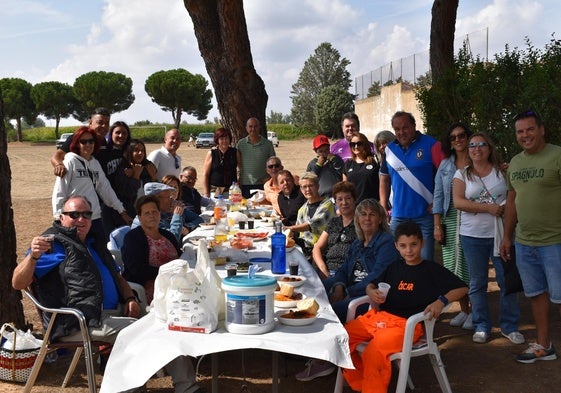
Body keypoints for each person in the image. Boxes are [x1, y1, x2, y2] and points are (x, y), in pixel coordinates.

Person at [13, 195, 206, 393]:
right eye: (74, 215)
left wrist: (130, 297)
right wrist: (33, 257)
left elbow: (117, 276)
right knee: (136, 331)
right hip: (80, 321)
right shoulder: (52, 245)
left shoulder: (93, 241)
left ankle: (187, 387)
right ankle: (131, 389)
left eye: (86, 215)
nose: (81, 219)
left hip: (112, 312)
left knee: (166, 322)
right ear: (62, 217)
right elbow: (17, 282)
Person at [342, 221, 468, 393]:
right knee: (342, 337)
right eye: (403, 246)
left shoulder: (431, 270)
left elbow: (462, 288)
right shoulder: (394, 267)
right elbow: (371, 284)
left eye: (413, 245)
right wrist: (371, 291)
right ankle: (363, 384)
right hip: (381, 320)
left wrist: (441, 301)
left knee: (374, 352)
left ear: (422, 243)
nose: (409, 250)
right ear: (396, 246)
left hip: (408, 326)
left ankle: (371, 388)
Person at [500, 109, 561, 363]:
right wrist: (507, 236)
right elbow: (512, 200)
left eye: (530, 129)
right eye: (520, 131)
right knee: (536, 294)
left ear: (542, 129)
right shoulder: (515, 162)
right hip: (525, 242)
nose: (525, 135)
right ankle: (544, 346)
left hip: (556, 241)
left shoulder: (557, 156)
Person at [453, 132, 523, 344]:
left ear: (489, 148)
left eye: (482, 145)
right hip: (472, 236)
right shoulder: (461, 175)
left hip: (502, 235)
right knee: (477, 283)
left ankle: (509, 326)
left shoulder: (503, 172)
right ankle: (481, 325)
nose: (477, 149)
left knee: (506, 281)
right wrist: (488, 208)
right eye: (472, 145)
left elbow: (514, 198)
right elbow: (458, 202)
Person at [379, 111, 445, 261]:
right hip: (398, 217)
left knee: (423, 262)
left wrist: (438, 202)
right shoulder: (389, 150)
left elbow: (446, 177)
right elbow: (384, 179)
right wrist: (383, 205)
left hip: (424, 217)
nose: (401, 132)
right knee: (394, 261)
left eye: (405, 127)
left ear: (414, 126)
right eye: (397, 129)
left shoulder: (432, 145)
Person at [323, 199, 400, 323]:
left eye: (372, 214)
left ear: (380, 220)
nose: (367, 218)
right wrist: (339, 286)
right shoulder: (358, 243)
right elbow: (343, 269)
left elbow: (377, 276)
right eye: (363, 214)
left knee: (329, 312)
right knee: (317, 289)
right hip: (350, 286)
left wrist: (348, 292)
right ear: (358, 219)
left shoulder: (386, 242)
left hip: (369, 295)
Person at [52, 126, 132, 243]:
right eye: (83, 142)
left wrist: (121, 210)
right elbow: (59, 191)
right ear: (77, 144)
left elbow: (105, 188)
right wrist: (59, 218)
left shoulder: (95, 163)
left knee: (100, 252)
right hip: (75, 219)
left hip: (94, 217)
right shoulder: (70, 162)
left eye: (91, 141)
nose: (88, 144)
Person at [433, 123, 473, 330]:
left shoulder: (478, 160)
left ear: (468, 137)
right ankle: (464, 310)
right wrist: (437, 225)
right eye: (453, 137)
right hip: (450, 219)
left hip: (473, 220)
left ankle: (476, 311)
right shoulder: (446, 165)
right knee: (453, 270)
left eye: (462, 135)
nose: (458, 140)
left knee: (471, 266)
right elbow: (438, 195)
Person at [122, 195, 181, 304]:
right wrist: (167, 273)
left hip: (177, 283)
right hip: (150, 290)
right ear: (139, 217)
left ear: (159, 214)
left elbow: (180, 257)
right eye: (147, 213)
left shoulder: (168, 235)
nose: (151, 216)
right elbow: (137, 270)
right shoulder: (132, 238)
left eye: (154, 212)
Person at [312, 181, 358, 279]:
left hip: (348, 272)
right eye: (340, 199)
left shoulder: (361, 223)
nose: (344, 203)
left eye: (348, 198)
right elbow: (317, 248)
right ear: (336, 202)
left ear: (354, 200)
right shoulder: (334, 222)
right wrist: (322, 268)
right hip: (327, 269)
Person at [285, 172, 335, 257]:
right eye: (304, 187)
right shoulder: (302, 209)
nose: (307, 190)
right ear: (301, 189)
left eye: (311, 186)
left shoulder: (327, 205)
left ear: (318, 186)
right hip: (304, 251)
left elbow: (311, 224)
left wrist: (289, 228)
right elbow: (297, 233)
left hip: (323, 252)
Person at [51, 107, 111, 178]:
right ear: (90, 123)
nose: (104, 126)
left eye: (107, 123)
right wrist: (59, 165)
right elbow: (57, 155)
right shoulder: (77, 138)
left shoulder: (104, 141)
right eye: (100, 123)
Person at [98, 121, 133, 234]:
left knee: (125, 233)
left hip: (126, 201)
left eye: (124, 133)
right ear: (111, 134)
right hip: (106, 202)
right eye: (117, 132)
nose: (121, 136)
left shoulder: (130, 153)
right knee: (109, 235)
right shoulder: (102, 152)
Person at [113, 138, 158, 218]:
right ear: (129, 152)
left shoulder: (148, 167)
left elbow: (156, 193)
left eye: (142, 150)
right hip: (130, 213)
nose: (140, 153)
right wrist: (136, 176)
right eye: (136, 150)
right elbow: (127, 194)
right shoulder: (124, 169)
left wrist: (153, 177)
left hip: (148, 211)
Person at [236, 117, 276, 198]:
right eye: (250, 126)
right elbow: (237, 162)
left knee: (263, 209)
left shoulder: (267, 144)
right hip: (245, 184)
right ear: (246, 128)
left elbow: (274, 164)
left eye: (255, 126)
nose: (253, 129)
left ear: (259, 127)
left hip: (263, 184)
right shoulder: (241, 144)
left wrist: (269, 178)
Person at [343, 132, 380, 203]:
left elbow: (383, 183)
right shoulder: (348, 164)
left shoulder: (374, 161)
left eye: (359, 144)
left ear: (365, 145)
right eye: (353, 144)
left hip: (372, 206)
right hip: (354, 207)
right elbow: (345, 188)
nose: (356, 147)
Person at [201, 127, 238, 198]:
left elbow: (241, 170)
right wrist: (206, 193)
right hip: (215, 191)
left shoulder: (235, 152)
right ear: (217, 140)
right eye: (221, 139)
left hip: (232, 191)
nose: (224, 141)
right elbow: (206, 174)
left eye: (226, 138)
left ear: (229, 139)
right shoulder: (211, 153)